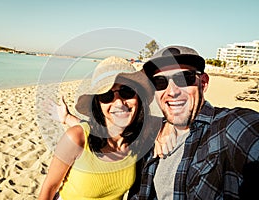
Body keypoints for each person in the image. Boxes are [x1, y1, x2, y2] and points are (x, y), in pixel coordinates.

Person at [127, 45, 259, 199]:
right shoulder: (152, 133)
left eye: (184, 78)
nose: (172, 92)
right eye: (160, 82)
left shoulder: (228, 127)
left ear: (203, 83)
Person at [38, 56, 172, 200]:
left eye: (126, 91)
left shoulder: (140, 136)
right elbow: (49, 188)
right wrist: (68, 119)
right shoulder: (76, 137)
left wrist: (166, 128)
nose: (119, 102)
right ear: (98, 104)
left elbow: (175, 121)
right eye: (107, 95)